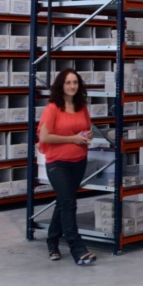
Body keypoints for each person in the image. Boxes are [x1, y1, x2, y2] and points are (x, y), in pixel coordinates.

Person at [38, 68, 97, 265]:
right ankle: (77, 249)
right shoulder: (53, 108)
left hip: (79, 160)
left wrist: (88, 136)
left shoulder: (82, 107)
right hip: (57, 163)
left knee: (64, 202)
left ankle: (52, 242)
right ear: (61, 85)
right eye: (68, 82)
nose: (72, 86)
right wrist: (73, 138)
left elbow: (87, 130)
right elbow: (44, 137)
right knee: (69, 203)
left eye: (75, 82)